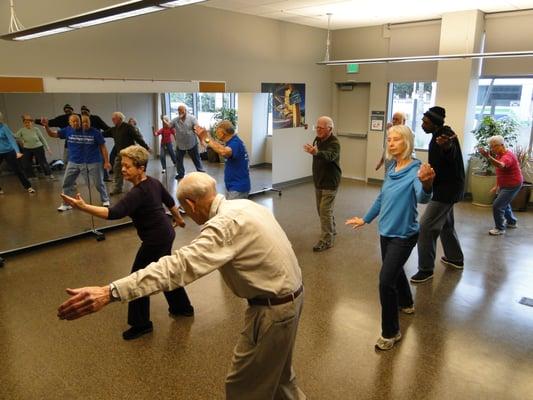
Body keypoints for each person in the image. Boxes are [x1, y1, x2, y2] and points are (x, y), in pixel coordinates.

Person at [57, 172, 306, 399]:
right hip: (292, 297)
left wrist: (109, 291)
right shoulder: (245, 205)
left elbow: (175, 268)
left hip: (273, 312)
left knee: (243, 388)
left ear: (191, 204)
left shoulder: (223, 226)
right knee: (281, 378)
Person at [60, 145, 194, 340]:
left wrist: (83, 207)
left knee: (137, 279)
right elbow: (170, 202)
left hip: (155, 240)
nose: (122, 169)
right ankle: (182, 308)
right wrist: (178, 219)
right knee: (166, 270)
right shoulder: (153, 183)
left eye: (127, 166)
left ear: (141, 168)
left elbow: (112, 214)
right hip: (165, 234)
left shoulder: (138, 193)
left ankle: (141, 325)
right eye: (122, 165)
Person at [346, 125, 435, 350]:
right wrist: (365, 219)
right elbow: (381, 197)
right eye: (389, 139)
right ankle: (406, 302)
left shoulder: (416, 169)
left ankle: (391, 332)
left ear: (407, 143)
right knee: (393, 270)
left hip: (404, 235)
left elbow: (422, 197)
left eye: (396, 139)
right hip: (385, 231)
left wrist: (426, 183)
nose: (391, 143)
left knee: (386, 281)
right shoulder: (392, 167)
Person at [410, 106, 465, 284]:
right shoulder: (437, 136)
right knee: (446, 225)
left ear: (434, 123)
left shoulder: (445, 136)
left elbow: (451, 155)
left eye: (425, 122)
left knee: (425, 227)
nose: (422, 125)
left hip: (446, 191)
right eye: (422, 121)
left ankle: (425, 270)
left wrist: (448, 147)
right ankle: (455, 258)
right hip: (447, 188)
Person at [43, 115, 111, 211]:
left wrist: (107, 162)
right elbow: (53, 134)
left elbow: (103, 147)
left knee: (98, 183)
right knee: (67, 183)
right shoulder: (67, 130)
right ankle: (66, 204)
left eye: (78, 121)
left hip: (93, 161)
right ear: (70, 123)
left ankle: (105, 199)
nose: (76, 123)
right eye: (73, 122)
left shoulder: (95, 132)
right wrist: (46, 127)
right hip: (73, 162)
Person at [303, 116, 341, 252]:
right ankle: (332, 229)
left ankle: (327, 240)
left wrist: (316, 152)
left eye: (321, 128)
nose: (317, 130)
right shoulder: (318, 139)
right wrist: (315, 151)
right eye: (316, 127)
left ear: (329, 129)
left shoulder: (335, 143)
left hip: (330, 182)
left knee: (325, 211)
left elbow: (330, 156)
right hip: (319, 180)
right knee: (322, 210)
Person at [478, 135, 523, 235]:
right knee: (504, 203)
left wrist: (488, 157)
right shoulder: (499, 155)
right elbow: (500, 172)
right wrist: (497, 185)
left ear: (502, 145)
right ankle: (512, 222)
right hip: (505, 184)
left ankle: (500, 228)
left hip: (512, 184)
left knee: (497, 205)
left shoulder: (508, 156)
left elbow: (501, 165)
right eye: (491, 146)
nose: (492, 148)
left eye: (494, 146)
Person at [196, 120, 251, 199]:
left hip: (238, 188)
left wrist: (207, 137)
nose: (216, 133)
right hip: (232, 186)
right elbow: (209, 145)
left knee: (231, 211)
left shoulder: (235, 143)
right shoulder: (230, 142)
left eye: (217, 130)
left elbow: (223, 152)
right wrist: (202, 137)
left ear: (223, 132)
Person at [104, 112, 150, 195]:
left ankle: (140, 186)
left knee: (134, 171)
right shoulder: (113, 129)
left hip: (130, 154)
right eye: (112, 118)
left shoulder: (128, 127)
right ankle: (117, 188)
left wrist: (146, 147)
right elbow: (103, 134)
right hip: (120, 154)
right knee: (117, 170)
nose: (112, 119)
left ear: (120, 119)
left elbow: (138, 138)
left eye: (114, 118)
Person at [0, 111, 35, 194]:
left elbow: (12, 140)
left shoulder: (4, 127)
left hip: (9, 151)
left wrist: (17, 152)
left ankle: (28, 187)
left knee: (18, 170)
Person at [170, 104, 205, 180]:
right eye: (179, 111)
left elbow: (197, 129)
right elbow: (169, 126)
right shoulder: (176, 120)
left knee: (196, 158)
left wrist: (201, 140)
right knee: (178, 160)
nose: (180, 113)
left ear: (186, 111)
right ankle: (180, 174)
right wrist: (163, 120)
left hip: (191, 143)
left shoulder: (192, 118)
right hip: (180, 144)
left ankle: (201, 172)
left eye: (182, 111)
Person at [14, 114, 54, 180]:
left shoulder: (36, 129)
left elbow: (42, 139)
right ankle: (31, 176)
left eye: (28, 122)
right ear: (23, 123)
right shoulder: (22, 130)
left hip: (38, 147)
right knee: (26, 163)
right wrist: (8, 133)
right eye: (25, 123)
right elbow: (15, 136)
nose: (27, 124)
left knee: (42, 162)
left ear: (31, 122)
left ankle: (49, 174)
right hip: (27, 148)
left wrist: (48, 148)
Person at [81, 106, 112, 182]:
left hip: (97, 142)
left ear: (89, 112)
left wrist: (105, 134)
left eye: (86, 111)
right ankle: (93, 176)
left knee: (102, 158)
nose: (84, 113)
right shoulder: (80, 120)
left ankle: (105, 176)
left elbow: (105, 127)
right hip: (86, 143)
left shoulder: (95, 118)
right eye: (82, 112)